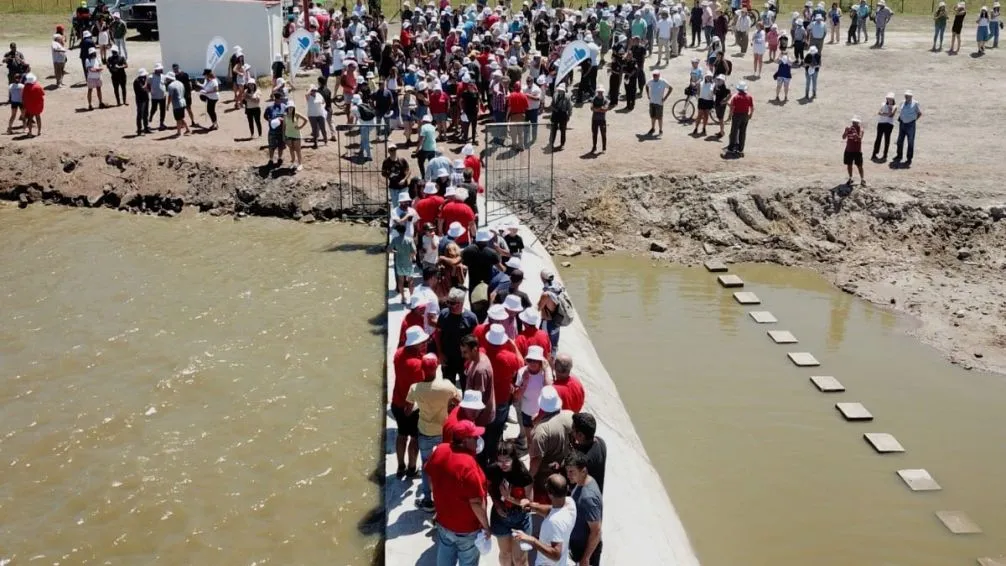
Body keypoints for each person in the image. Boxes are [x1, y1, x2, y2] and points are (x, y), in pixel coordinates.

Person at [425, 420, 492, 566]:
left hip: (443, 522)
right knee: (468, 561)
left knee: (444, 556)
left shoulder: (440, 450)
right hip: (467, 530)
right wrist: (486, 527)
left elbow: (430, 481)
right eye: (474, 437)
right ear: (464, 441)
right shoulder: (470, 467)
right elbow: (476, 503)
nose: (477, 440)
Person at [407, 352, 461, 512]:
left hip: (425, 432)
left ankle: (428, 501)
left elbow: (407, 411)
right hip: (443, 433)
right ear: (436, 367)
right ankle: (444, 497)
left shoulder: (415, 388)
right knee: (444, 466)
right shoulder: (447, 386)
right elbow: (458, 401)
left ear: (422, 369)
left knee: (426, 467)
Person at [512, 473, 577, 566]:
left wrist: (532, 540)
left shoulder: (554, 522)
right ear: (567, 488)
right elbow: (552, 509)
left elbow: (556, 555)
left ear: (549, 494)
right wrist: (532, 506)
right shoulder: (570, 503)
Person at [487, 439, 533, 566]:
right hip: (500, 518)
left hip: (520, 520)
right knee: (505, 555)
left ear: (514, 458)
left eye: (507, 460)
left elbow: (529, 504)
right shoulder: (492, 470)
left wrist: (509, 498)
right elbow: (489, 488)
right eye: (500, 460)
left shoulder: (523, 475)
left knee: (520, 560)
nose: (503, 464)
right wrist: (497, 503)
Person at [392, 325, 429, 479]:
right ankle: (412, 469)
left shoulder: (398, 354)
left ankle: (400, 466)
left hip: (397, 403)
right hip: (412, 407)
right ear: (415, 344)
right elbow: (421, 388)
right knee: (415, 438)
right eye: (422, 342)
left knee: (401, 435)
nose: (424, 343)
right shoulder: (417, 364)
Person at [566, 452, 603, 566]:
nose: (568, 475)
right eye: (567, 471)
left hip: (584, 551)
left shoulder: (588, 498)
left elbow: (596, 531)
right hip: (576, 546)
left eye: (572, 472)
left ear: (583, 471)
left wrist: (586, 558)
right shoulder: (585, 480)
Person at [438, 289, 479, 387]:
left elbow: (476, 340)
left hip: (465, 360)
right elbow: (438, 334)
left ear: (461, 303)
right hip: (448, 359)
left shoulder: (471, 318)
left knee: (467, 388)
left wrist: (473, 359)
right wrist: (440, 353)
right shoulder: (443, 314)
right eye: (448, 302)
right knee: (448, 391)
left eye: (452, 303)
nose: (449, 306)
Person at [571, 412, 607, 491]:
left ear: (580, 435)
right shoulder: (600, 442)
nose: (571, 430)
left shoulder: (584, 460)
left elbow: (572, 486)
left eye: (573, 428)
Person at [389, 223, 417, 303]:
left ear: (398, 231)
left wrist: (395, 252)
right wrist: (410, 255)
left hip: (399, 263)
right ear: (405, 231)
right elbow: (414, 251)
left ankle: (402, 298)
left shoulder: (395, 239)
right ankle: (412, 298)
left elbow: (388, 250)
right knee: (410, 281)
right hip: (408, 263)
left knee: (400, 281)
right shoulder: (409, 240)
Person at [893, 90, 922, 166]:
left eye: (908, 96)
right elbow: (901, 111)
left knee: (910, 142)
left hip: (910, 125)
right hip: (902, 124)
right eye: (906, 96)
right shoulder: (902, 102)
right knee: (900, 141)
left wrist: (914, 120)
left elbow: (919, 113)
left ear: (911, 96)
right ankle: (899, 155)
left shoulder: (915, 103)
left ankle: (909, 158)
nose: (906, 97)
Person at [725, 81, 754, 156]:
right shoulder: (749, 96)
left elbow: (732, 107)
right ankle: (741, 149)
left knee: (734, 132)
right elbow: (752, 107)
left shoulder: (735, 96)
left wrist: (730, 116)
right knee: (743, 132)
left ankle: (731, 148)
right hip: (745, 115)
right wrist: (750, 114)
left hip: (737, 115)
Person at [645, 71, 672, 137]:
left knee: (659, 117)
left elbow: (670, 88)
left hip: (659, 103)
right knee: (652, 116)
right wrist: (648, 95)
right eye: (654, 75)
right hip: (652, 102)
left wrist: (665, 97)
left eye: (656, 75)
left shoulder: (663, 81)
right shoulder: (651, 81)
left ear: (659, 75)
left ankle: (660, 130)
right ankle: (653, 128)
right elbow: (646, 86)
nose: (654, 77)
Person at [842, 116, 866, 187]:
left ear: (858, 123)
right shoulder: (849, 128)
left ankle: (862, 179)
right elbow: (843, 137)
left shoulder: (861, 129)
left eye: (855, 122)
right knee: (849, 165)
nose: (853, 124)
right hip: (848, 150)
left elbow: (859, 139)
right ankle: (850, 178)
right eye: (853, 122)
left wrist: (856, 134)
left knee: (859, 166)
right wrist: (846, 131)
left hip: (857, 151)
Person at [264, 92, 287, 166]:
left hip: (281, 130)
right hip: (273, 130)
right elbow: (265, 116)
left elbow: (287, 116)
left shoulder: (284, 107)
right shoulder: (270, 107)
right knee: (271, 146)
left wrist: (283, 120)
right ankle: (271, 159)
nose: (279, 100)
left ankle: (279, 158)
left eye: (280, 99)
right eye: (278, 99)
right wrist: (270, 121)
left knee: (281, 145)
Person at [872, 92, 896, 161]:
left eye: (890, 99)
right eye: (888, 98)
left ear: (893, 99)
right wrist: (886, 114)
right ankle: (874, 153)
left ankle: (885, 154)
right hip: (881, 123)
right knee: (878, 139)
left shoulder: (894, 106)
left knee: (887, 139)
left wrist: (888, 110)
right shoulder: (883, 104)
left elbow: (891, 115)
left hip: (889, 124)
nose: (889, 100)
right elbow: (879, 112)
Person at [283, 102, 308, 171]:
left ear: (293, 108)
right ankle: (293, 162)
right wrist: (283, 135)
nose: (290, 109)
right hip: (288, 134)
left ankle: (300, 164)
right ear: (287, 108)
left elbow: (306, 119)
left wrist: (300, 127)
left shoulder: (296, 114)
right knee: (291, 149)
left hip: (296, 135)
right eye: (289, 107)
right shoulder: (285, 115)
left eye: (292, 107)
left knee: (298, 150)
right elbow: (284, 126)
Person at [164, 72, 190, 136]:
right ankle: (187, 129)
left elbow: (170, 96)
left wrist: (168, 104)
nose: (166, 79)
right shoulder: (180, 83)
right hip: (183, 102)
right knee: (180, 118)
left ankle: (179, 132)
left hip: (177, 104)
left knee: (178, 119)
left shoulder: (171, 86)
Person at [548, 83, 572, 151]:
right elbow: (552, 104)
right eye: (559, 90)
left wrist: (569, 115)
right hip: (555, 114)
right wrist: (553, 108)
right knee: (553, 130)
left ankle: (562, 144)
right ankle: (551, 143)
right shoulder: (555, 95)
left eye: (562, 90)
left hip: (563, 114)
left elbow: (569, 107)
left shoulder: (567, 97)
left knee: (563, 130)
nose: (560, 91)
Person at [305, 84, 328, 148]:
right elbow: (306, 94)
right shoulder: (308, 97)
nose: (314, 91)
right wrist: (311, 87)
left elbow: (323, 102)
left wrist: (322, 107)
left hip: (320, 114)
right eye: (312, 90)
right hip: (312, 115)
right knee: (314, 129)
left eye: (315, 90)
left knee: (323, 128)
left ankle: (325, 140)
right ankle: (315, 142)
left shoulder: (319, 95)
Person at [589, 86, 608, 154]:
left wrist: (597, 109)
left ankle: (604, 148)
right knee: (594, 134)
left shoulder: (605, 99)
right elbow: (592, 108)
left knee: (603, 134)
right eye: (599, 92)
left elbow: (605, 109)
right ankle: (594, 147)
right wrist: (600, 108)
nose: (600, 93)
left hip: (602, 119)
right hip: (595, 119)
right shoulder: (594, 99)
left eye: (601, 92)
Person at [148, 64, 167, 130]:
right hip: (155, 96)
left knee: (162, 110)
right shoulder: (151, 77)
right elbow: (148, 85)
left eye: (161, 69)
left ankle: (161, 123)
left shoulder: (163, 76)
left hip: (162, 96)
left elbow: (164, 84)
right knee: (154, 108)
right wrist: (150, 91)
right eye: (159, 69)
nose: (161, 70)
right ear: (156, 70)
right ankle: (151, 116)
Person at [133, 68, 150, 135]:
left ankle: (146, 127)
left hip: (145, 98)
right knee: (140, 115)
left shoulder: (143, 80)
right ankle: (139, 129)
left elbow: (147, 89)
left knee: (146, 114)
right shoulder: (137, 81)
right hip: (140, 100)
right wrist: (146, 83)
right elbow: (143, 88)